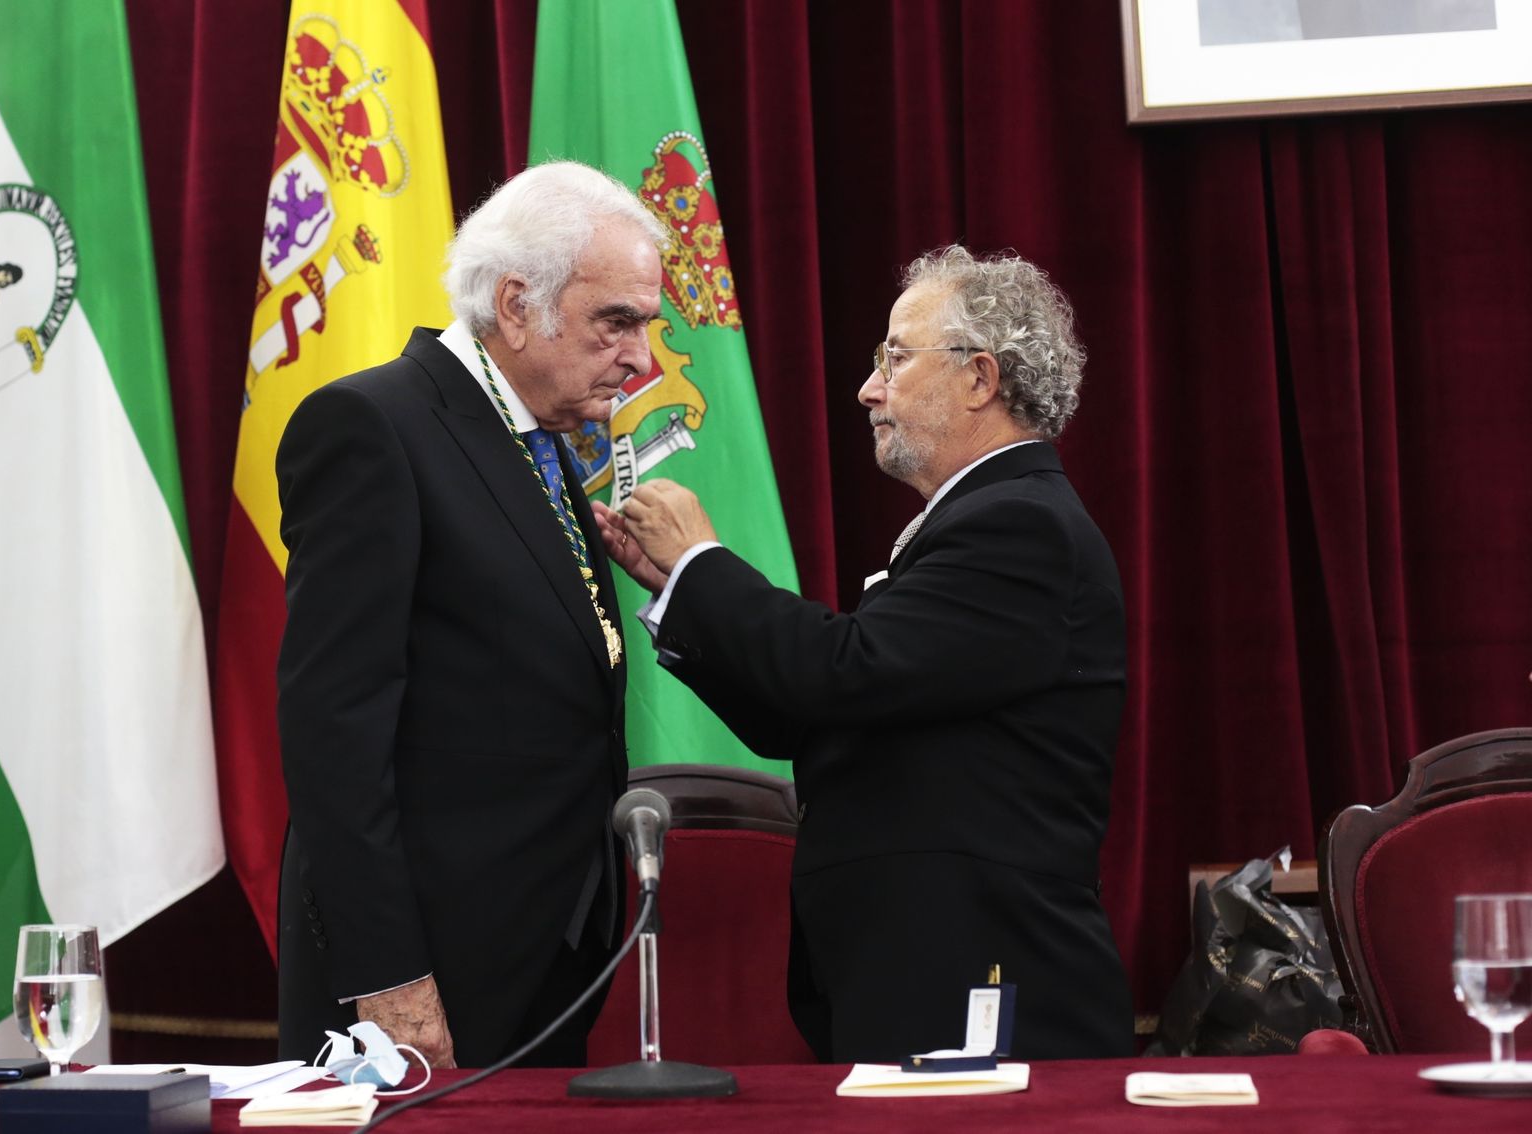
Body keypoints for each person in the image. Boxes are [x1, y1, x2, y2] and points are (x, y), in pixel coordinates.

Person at [598, 245, 1134, 1062]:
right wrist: (679, 588)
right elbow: (810, 716)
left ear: (980, 379)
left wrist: (705, 564)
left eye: (894, 356)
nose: (868, 388)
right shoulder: (987, 520)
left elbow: (842, 670)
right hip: (917, 972)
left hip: (976, 975)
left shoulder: (1020, 525)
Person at [275, 161, 665, 1070]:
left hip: (542, 954)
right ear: (519, 304)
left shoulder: (535, 436)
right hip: (422, 972)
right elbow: (334, 727)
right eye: (618, 323)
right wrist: (389, 973)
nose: (642, 359)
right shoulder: (372, 426)